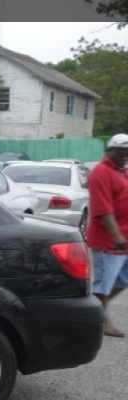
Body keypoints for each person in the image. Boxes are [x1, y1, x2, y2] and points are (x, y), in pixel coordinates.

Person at [86, 133, 128, 337]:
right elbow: (102, 209)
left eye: (127, 153)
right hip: (108, 240)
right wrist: (116, 234)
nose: (125, 156)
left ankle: (96, 311)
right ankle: (101, 321)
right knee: (103, 283)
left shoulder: (122, 172)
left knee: (123, 280)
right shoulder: (100, 173)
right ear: (110, 150)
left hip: (124, 239)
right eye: (121, 152)